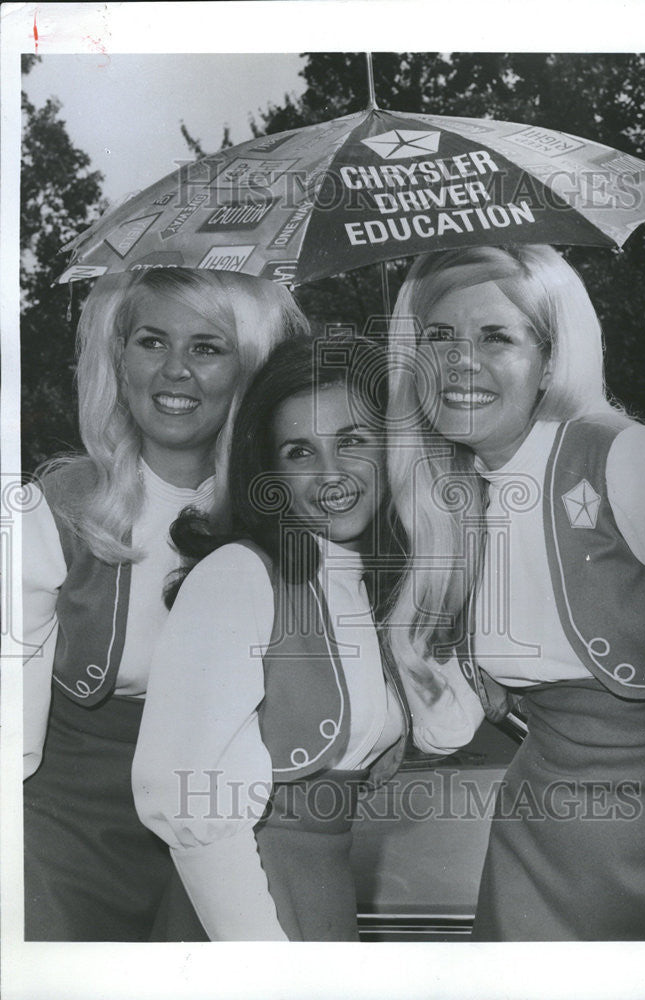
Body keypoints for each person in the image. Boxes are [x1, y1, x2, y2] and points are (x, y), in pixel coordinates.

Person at [385, 244, 645, 941]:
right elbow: (454, 725)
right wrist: (443, 673)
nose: (461, 361)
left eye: (496, 336)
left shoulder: (627, 457)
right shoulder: (437, 496)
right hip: (546, 838)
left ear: (551, 359)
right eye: (438, 337)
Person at [132, 333, 482, 941]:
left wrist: (433, 588)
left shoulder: (372, 589)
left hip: (327, 891)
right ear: (269, 474)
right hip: (240, 907)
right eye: (299, 452)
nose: (331, 475)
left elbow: (444, 729)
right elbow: (185, 797)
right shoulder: (237, 575)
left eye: (352, 441)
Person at [22, 267, 307, 941]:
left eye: (207, 348)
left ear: (251, 368)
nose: (174, 370)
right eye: (152, 342)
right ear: (116, 357)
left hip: (227, 820)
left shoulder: (287, 513)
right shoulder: (57, 506)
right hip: (66, 830)